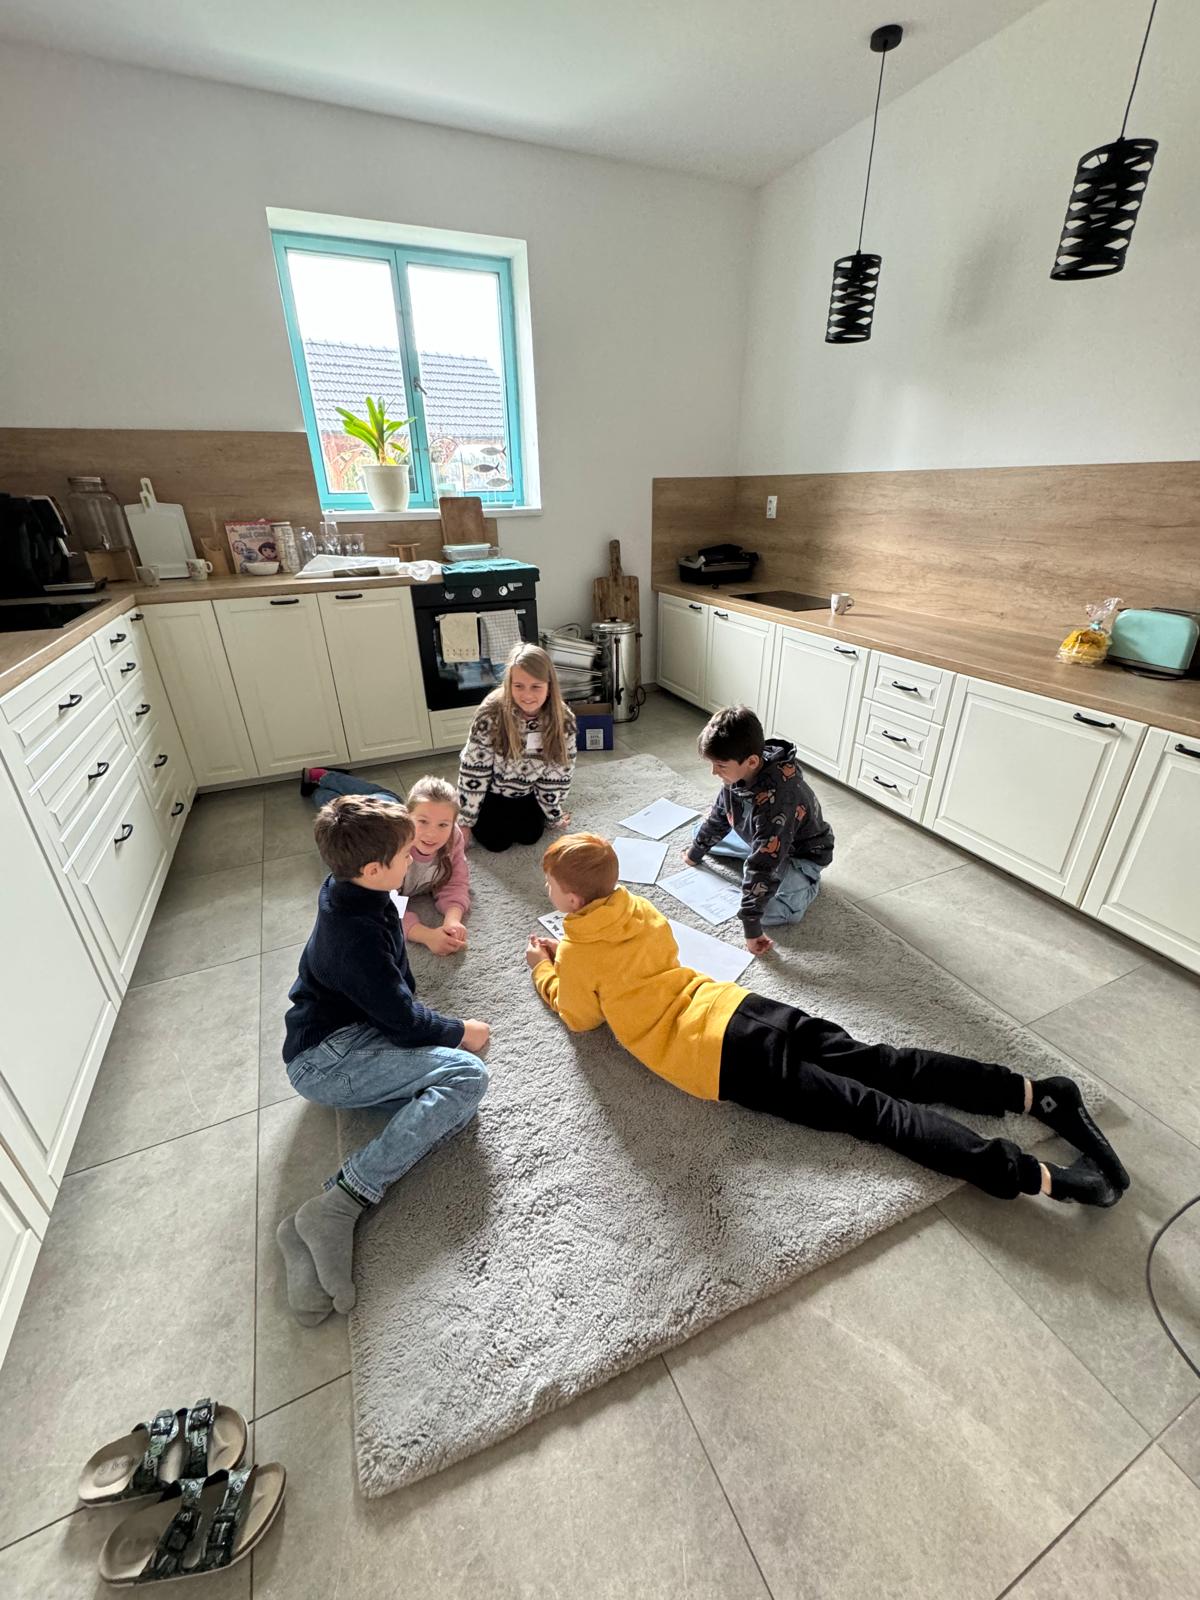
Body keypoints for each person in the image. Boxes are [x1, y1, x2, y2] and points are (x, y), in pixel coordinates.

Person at [526, 833, 1129, 1208]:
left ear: (571, 901)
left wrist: (546, 971)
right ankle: (1034, 1093)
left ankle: (1034, 1177)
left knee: (873, 1113)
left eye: (549, 885)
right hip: (741, 1008)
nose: (547, 890)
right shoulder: (639, 908)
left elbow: (581, 1018)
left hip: (717, 1056)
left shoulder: (578, 951)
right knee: (881, 1063)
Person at [275, 793, 491, 1325]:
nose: (413, 858)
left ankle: (298, 1234)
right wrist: (460, 1031)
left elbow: (397, 987)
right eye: (403, 855)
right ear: (373, 869)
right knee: (467, 1077)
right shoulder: (355, 938)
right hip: (326, 1059)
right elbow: (405, 1021)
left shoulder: (356, 891)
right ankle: (341, 1201)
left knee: (445, 1103)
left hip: (345, 1033)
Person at [684, 704, 834, 955]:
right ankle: (744, 856)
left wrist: (751, 926)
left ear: (752, 761)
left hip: (801, 855)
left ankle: (809, 882)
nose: (713, 772)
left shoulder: (778, 803)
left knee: (772, 911)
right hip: (760, 837)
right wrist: (695, 853)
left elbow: (763, 864)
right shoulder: (737, 774)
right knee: (701, 833)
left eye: (720, 766)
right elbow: (720, 815)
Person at [300, 769, 470, 956]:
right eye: (423, 821)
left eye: (443, 825)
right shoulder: (388, 850)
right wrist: (426, 935)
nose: (432, 834)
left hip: (392, 812)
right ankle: (322, 777)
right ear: (407, 817)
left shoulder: (453, 837)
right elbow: (380, 905)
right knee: (336, 806)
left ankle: (318, 787)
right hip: (381, 808)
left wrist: (453, 919)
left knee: (373, 795)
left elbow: (457, 880)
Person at [457, 642, 577, 852]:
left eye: (536, 687)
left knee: (530, 836)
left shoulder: (563, 719)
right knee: (496, 843)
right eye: (519, 686)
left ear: (549, 686)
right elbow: (474, 769)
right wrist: (465, 821)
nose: (527, 695)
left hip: (528, 792)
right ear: (509, 684)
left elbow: (560, 773)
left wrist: (553, 814)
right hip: (492, 793)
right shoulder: (490, 713)